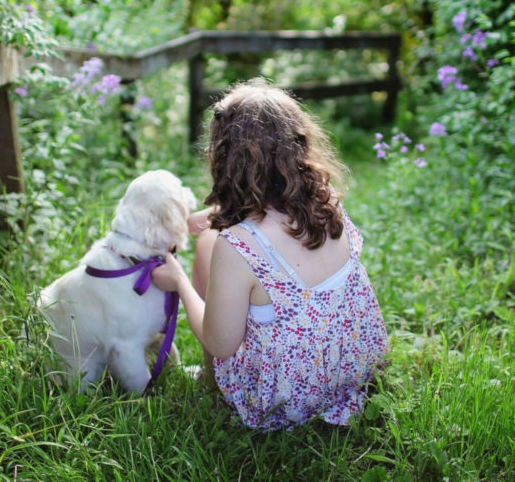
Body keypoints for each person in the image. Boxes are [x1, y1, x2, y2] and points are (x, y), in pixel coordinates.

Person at [150, 79, 388, 430]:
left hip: (285, 399)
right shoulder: (327, 202)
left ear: (217, 160)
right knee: (209, 238)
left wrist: (180, 283)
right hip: (353, 370)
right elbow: (261, 220)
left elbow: (221, 344)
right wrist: (196, 220)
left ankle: (212, 382)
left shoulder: (236, 247)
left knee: (206, 245)